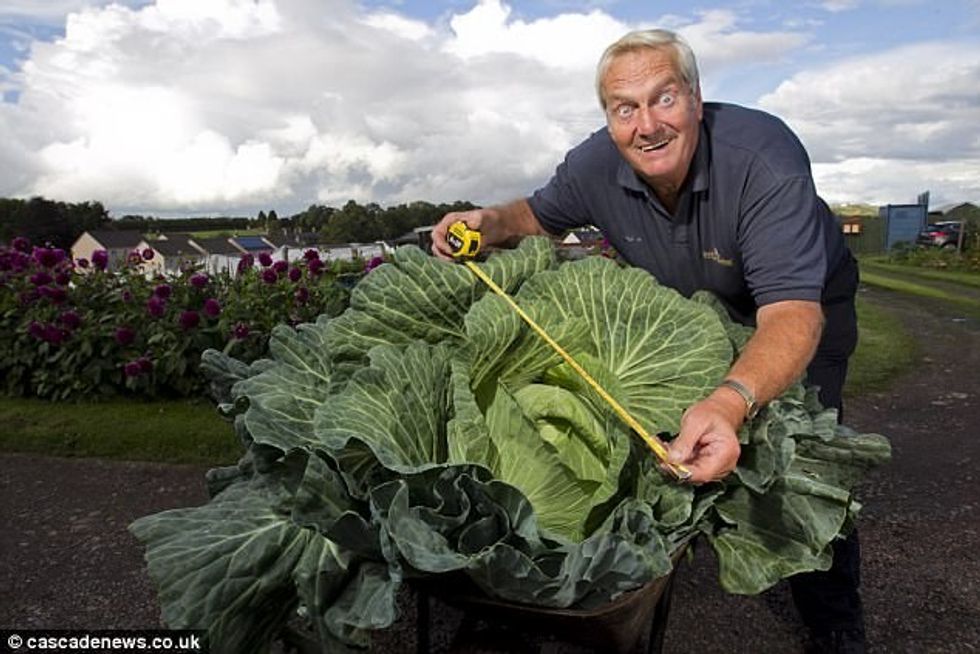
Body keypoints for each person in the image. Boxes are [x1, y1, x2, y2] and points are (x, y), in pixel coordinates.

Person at [431, 28, 864, 653]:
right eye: (624, 108)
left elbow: (791, 315)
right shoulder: (595, 165)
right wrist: (487, 222)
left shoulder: (762, 159)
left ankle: (834, 615)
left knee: (805, 457)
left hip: (796, 308)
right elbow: (536, 215)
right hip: (690, 317)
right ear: (609, 117)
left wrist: (730, 400)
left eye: (664, 98)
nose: (647, 125)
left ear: (695, 97)